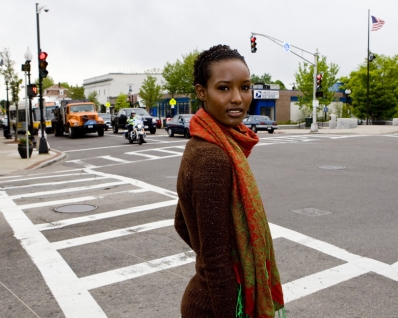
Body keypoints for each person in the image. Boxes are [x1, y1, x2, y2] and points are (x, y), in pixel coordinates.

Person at [174, 45, 285, 318]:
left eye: (245, 87)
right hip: (219, 306)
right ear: (202, 92)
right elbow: (216, 260)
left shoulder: (203, 142)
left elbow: (180, 222)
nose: (238, 98)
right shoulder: (215, 158)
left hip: (206, 298)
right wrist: (234, 264)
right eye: (224, 88)